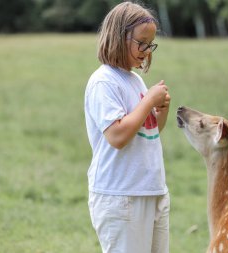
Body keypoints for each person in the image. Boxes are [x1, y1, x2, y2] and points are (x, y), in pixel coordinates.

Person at [84, 2, 170, 253]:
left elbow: (149, 132)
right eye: (141, 42)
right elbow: (118, 136)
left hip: (151, 190)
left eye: (150, 44)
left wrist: (159, 111)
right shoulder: (103, 82)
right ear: (119, 36)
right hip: (121, 196)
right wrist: (149, 102)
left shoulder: (136, 80)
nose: (146, 50)